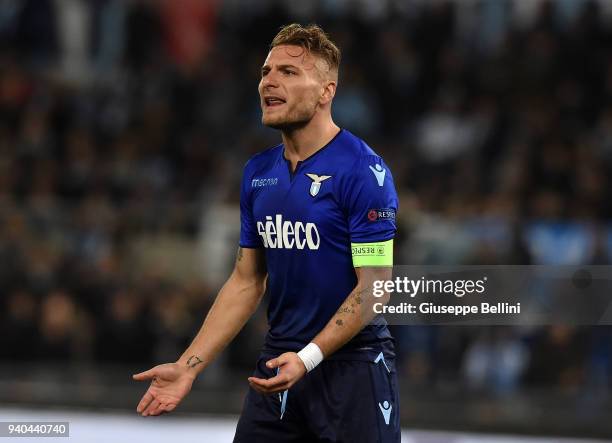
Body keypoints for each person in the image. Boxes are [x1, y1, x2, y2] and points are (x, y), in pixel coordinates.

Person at [133, 23, 400, 442]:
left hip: (352, 371)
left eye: (289, 73)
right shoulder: (258, 174)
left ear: (326, 91)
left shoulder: (363, 172)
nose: (269, 82)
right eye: (265, 71)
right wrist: (188, 366)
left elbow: (376, 287)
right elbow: (246, 282)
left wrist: (308, 358)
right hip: (276, 370)